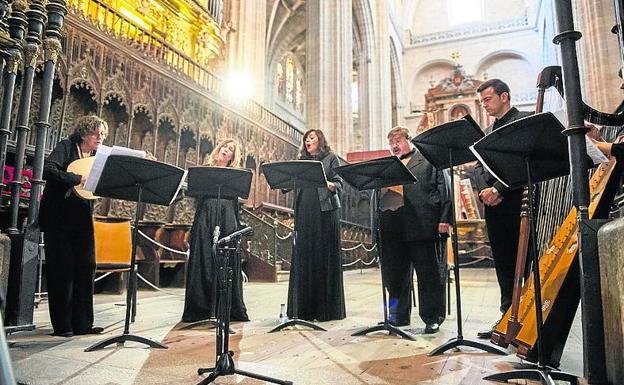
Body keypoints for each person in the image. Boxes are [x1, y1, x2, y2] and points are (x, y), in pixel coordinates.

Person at [472, 79, 533, 339]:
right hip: (493, 208)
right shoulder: (487, 133)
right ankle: (506, 318)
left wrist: (497, 189)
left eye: (487, 99)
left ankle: (528, 322)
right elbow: (476, 168)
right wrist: (484, 190)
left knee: (525, 262)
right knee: (504, 265)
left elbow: (522, 162)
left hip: (518, 203)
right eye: (482, 101)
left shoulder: (522, 122)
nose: (484, 105)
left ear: (504, 97)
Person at [39, 115, 108, 337]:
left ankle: (83, 324)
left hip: (82, 216)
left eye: (103, 134)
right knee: (62, 270)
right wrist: (76, 178)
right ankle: (63, 326)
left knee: (87, 266)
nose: (100, 137)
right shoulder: (66, 147)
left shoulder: (97, 157)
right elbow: (47, 170)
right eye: (96, 132)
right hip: (58, 216)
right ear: (84, 132)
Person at [379, 126, 451, 333]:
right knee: (395, 274)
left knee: (428, 274)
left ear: (409, 141)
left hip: (423, 224)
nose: (394, 145)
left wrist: (445, 219)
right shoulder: (387, 166)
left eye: (398, 140)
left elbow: (444, 189)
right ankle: (398, 315)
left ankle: (432, 317)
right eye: (391, 142)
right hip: (393, 226)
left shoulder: (428, 159)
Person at [182, 138, 249, 322]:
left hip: (226, 215)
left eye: (230, 150)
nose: (225, 150)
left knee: (224, 258)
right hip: (205, 215)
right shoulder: (204, 170)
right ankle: (200, 309)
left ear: (232, 157)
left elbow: (237, 202)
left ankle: (226, 308)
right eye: (224, 147)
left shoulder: (234, 175)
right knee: (203, 257)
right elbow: (193, 195)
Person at [287, 129, 346, 321]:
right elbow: (288, 183)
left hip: (325, 211)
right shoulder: (302, 163)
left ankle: (325, 310)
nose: (307, 141)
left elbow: (340, 184)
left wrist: (330, 184)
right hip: (305, 212)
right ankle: (303, 309)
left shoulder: (330, 158)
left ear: (320, 140)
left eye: (311, 137)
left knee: (323, 256)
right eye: (305, 139)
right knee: (304, 256)